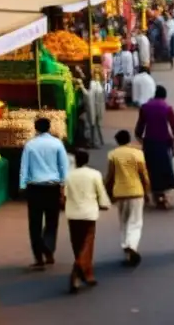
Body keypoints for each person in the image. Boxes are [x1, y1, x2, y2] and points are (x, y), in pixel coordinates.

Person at [19, 117, 69, 269]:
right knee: (52, 221)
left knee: (34, 223)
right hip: (52, 187)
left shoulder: (30, 145)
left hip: (34, 188)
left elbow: (24, 167)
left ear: (36, 128)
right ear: (49, 128)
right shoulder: (57, 143)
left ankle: (38, 257)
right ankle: (49, 249)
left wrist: (22, 186)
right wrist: (63, 186)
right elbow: (63, 167)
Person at [63, 150, 111, 293]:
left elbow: (65, 194)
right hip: (89, 214)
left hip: (72, 213)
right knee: (87, 244)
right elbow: (100, 192)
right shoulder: (94, 174)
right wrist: (105, 204)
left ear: (76, 160)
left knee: (77, 244)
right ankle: (78, 268)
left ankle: (85, 275)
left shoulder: (68, 175)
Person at [104, 130, 151, 268]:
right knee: (135, 222)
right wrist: (146, 191)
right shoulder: (138, 153)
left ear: (117, 141)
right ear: (129, 140)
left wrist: (108, 192)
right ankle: (132, 246)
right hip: (136, 191)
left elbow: (110, 176)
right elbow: (144, 175)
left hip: (120, 193)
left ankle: (126, 247)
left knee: (124, 221)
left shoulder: (112, 154)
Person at [135, 85, 174, 208]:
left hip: (149, 143)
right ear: (164, 96)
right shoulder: (167, 107)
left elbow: (139, 129)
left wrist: (141, 140)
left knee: (150, 169)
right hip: (164, 143)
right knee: (164, 170)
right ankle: (161, 196)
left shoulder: (145, 107)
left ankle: (151, 194)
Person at [86, 72, 106, 149]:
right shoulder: (96, 84)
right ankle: (97, 141)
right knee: (95, 125)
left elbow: (89, 96)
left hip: (96, 107)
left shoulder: (96, 84)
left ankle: (95, 142)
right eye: (95, 75)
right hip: (97, 107)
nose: (97, 77)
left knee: (94, 125)